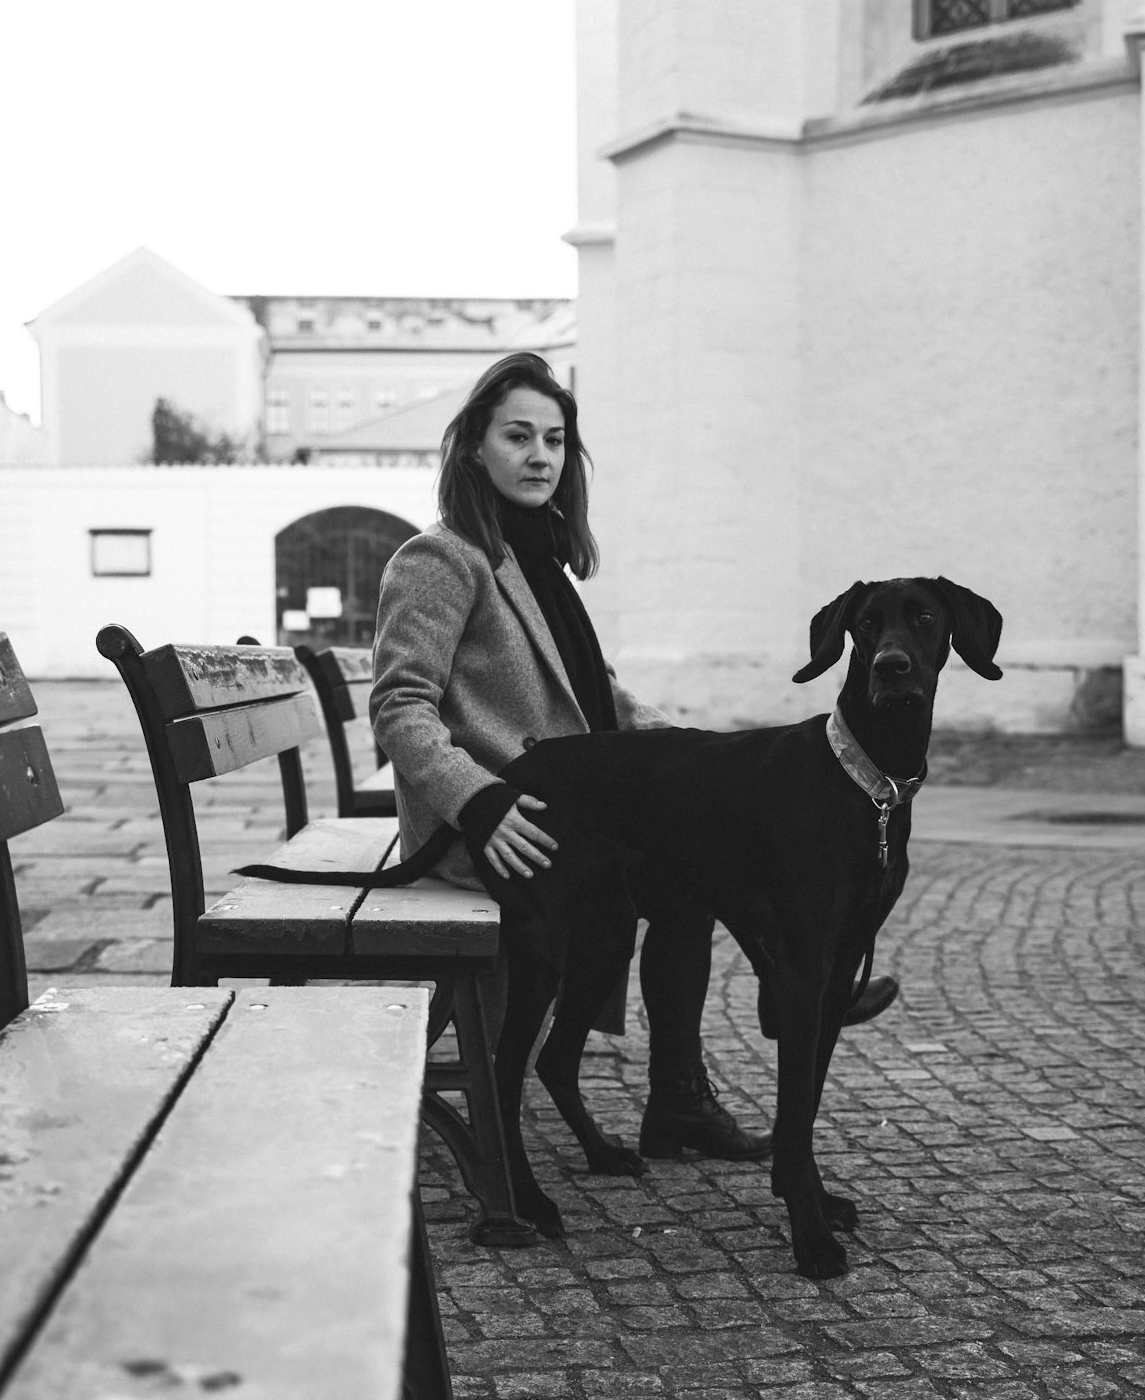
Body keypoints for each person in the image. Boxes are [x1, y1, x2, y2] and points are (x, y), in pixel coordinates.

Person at [370, 350, 892, 1169]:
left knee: (698, 839)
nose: (539, 456)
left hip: (566, 816)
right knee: (691, 859)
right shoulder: (442, 559)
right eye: (517, 436)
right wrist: (475, 798)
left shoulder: (536, 560)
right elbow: (400, 705)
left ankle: (695, 1081)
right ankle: (771, 1004)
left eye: (554, 440)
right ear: (472, 446)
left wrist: (692, 752)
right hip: (500, 829)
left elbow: (600, 697)